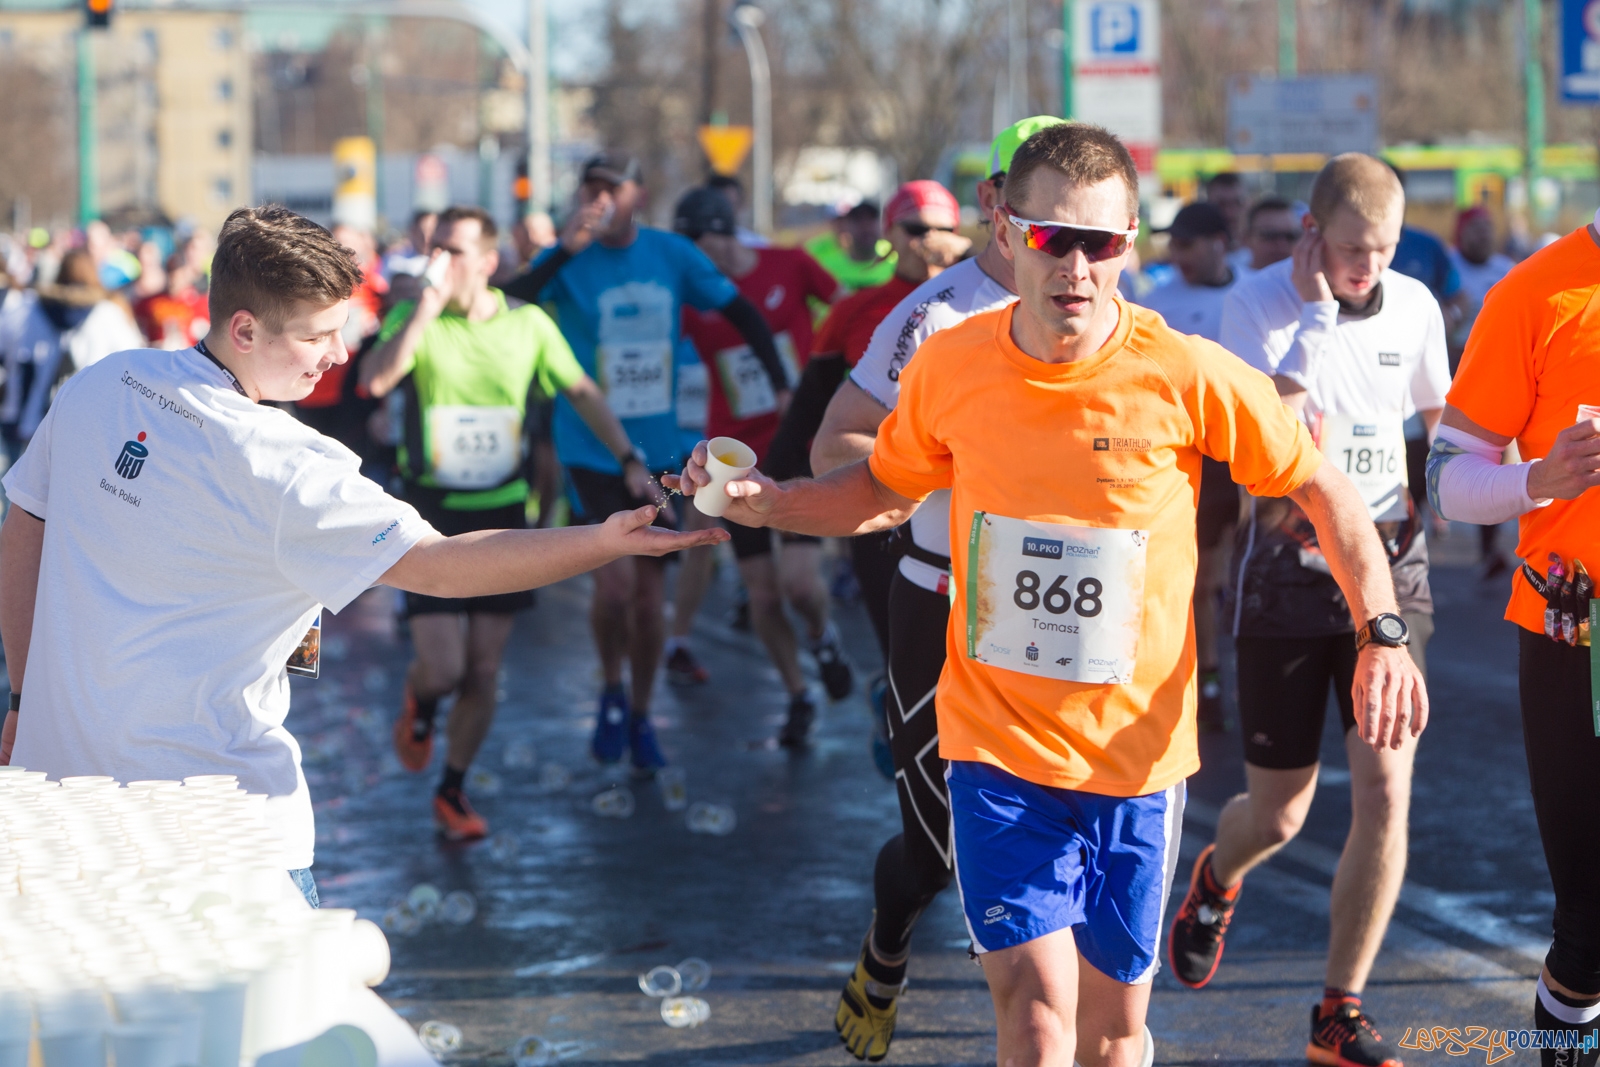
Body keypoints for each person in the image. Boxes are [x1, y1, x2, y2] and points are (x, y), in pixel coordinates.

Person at [673, 121, 1424, 1067]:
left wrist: (1382, 632)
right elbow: (877, 490)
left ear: (1130, 247)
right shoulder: (950, 363)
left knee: (1112, 1038)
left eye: (1099, 243)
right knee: (1033, 1023)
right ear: (1007, 233)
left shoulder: (1182, 373)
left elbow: (1324, 487)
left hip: (1135, 757)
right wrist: (771, 502)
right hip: (997, 743)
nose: (1073, 264)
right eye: (1050, 238)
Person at [0, 205, 724, 908]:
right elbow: (441, 566)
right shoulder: (285, 463)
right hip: (224, 839)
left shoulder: (104, 383)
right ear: (245, 329)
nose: (340, 354)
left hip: (63, 805)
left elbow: (24, 523)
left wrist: (26, 699)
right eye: (321, 335)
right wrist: (602, 539)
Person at [1169, 154, 1446, 1067]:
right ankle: (1216, 875)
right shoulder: (1256, 303)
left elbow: (1439, 425)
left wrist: (1470, 487)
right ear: (1316, 236)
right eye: (1355, 249)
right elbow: (1267, 441)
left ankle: (1340, 1007)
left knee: (1384, 790)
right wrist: (1319, 319)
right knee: (1281, 813)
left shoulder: (1413, 305)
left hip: (1392, 575)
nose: (1371, 267)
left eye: (1386, 249)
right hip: (1287, 575)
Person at [808, 117, 1057, 1062]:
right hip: (944, 598)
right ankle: (887, 943)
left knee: (1067, 816)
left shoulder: (1109, 303)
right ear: (996, 205)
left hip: (1057, 605)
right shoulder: (934, 315)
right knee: (937, 846)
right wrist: (951, 465)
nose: (1059, 241)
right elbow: (835, 442)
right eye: (1030, 205)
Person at [358, 206, 654, 836]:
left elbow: (583, 393)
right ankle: (422, 703)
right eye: (435, 248)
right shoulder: (420, 318)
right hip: (429, 516)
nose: (441, 261)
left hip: (501, 514)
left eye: (455, 251)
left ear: (489, 263)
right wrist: (426, 310)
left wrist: (629, 458)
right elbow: (378, 381)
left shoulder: (530, 326)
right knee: (445, 668)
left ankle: (453, 788)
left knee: (485, 668)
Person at [501, 150, 786, 767]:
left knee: (646, 595)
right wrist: (563, 252)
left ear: (639, 193)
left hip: (662, 448)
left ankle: (640, 708)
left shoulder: (671, 254)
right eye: (591, 188)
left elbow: (739, 311)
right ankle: (608, 686)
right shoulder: (569, 260)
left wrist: (782, 382)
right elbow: (508, 301)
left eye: (613, 188)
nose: (600, 200)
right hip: (593, 446)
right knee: (615, 585)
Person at [1428, 207, 1600, 1067]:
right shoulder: (1535, 293)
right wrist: (1542, 477)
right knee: (1591, 926)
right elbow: (1447, 480)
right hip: (1578, 636)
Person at [674, 187, 851, 744]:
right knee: (765, 595)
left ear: (719, 235)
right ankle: (799, 693)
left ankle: (823, 638)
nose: (694, 261)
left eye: (697, 247)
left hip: (796, 440)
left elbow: (844, 307)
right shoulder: (693, 301)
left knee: (800, 584)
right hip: (732, 452)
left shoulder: (789, 263)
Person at [765, 179, 971, 658]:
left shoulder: (982, 307)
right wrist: (780, 500)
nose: (929, 240)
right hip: (881, 492)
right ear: (890, 233)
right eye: (916, 228)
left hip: (960, 498)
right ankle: (888, 716)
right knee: (897, 645)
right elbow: (808, 409)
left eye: (945, 229)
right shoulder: (856, 309)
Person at [1143, 201, 1240, 732]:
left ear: (1219, 242)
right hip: (1188, 457)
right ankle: (1209, 678)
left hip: (1249, 453)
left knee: (1236, 573)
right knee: (1198, 578)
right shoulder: (1156, 303)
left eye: (1186, 244)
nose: (1175, 255)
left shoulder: (1249, 294)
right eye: (1172, 244)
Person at [1446, 205, 1517, 580]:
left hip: (1497, 376)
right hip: (1453, 371)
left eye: (1488, 229)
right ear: (1461, 234)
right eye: (1474, 230)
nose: (1482, 237)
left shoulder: (1507, 269)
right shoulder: (1449, 265)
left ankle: (1489, 547)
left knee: (1490, 458)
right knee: (1442, 453)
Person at [805, 201, 897, 293]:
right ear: (847, 226)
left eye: (871, 220)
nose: (865, 227)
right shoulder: (826, 269)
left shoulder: (897, 264)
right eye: (858, 221)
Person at [133, 251, 210, 351]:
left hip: (189, 358)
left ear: (186, 274)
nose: (174, 278)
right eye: (171, 273)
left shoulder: (201, 303)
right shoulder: (150, 302)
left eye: (178, 274)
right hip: (159, 357)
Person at [1202, 172, 1250, 274]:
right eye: (1221, 204)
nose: (1230, 213)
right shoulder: (1195, 261)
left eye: (1237, 203)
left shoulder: (1263, 255)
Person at [1241, 195, 1302, 275]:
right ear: (1247, 239)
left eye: (1290, 236)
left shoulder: (1312, 283)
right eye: (1270, 235)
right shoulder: (1232, 284)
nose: (1282, 244)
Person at [705, 174, 768, 248]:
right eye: (718, 205)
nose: (723, 212)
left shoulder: (757, 245)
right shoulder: (692, 245)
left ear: (740, 205)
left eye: (730, 204)